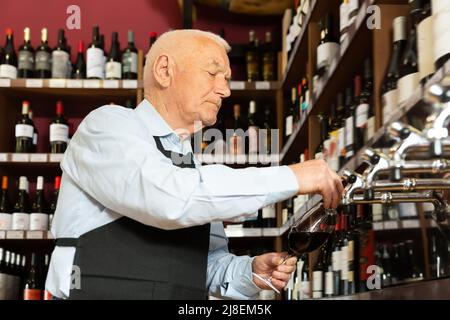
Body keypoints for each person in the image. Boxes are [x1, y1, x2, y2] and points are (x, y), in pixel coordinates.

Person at [45, 29, 343, 300]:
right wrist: (292, 177)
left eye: (226, 79)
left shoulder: (191, 168)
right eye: (213, 73)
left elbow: (207, 264)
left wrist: (250, 272)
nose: (225, 91)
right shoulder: (108, 126)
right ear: (165, 71)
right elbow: (169, 199)